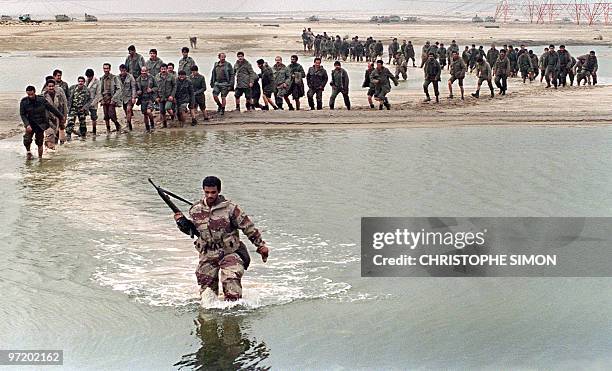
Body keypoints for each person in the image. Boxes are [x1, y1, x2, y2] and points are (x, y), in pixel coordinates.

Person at [173, 176, 270, 301]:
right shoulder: (195, 210)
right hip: (207, 254)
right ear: (203, 190)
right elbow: (193, 232)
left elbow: (248, 227)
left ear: (218, 191)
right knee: (207, 295)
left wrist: (260, 246)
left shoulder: (230, 209)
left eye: (213, 192)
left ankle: (234, 315)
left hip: (230, 253)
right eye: (207, 192)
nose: (210, 195)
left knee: (231, 282)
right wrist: (181, 222)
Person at [20, 86, 64, 159]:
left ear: (34, 92)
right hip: (30, 123)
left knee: (39, 141)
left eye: (32, 94)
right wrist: (27, 124)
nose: (30, 96)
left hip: (41, 124)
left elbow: (51, 108)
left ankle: (40, 158)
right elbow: (22, 114)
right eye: (29, 95)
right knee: (27, 140)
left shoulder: (41, 100)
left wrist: (60, 116)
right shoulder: (24, 102)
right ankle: (28, 152)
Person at [42, 79, 67, 149]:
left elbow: (64, 105)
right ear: (46, 87)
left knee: (56, 134)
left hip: (57, 117)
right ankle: (48, 151)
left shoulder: (59, 95)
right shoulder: (43, 96)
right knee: (50, 135)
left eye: (52, 86)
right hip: (47, 119)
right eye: (49, 86)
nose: (51, 88)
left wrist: (64, 116)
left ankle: (54, 152)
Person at [100, 63, 122, 133]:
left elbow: (119, 89)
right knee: (106, 115)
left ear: (110, 69)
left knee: (111, 114)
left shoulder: (114, 78)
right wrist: (101, 99)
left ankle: (117, 126)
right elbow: (99, 90)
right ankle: (108, 129)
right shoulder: (102, 78)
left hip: (111, 98)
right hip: (104, 98)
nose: (106, 70)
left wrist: (114, 99)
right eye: (104, 68)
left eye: (107, 68)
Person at [115, 64, 137, 131]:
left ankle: (129, 125)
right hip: (122, 98)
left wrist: (133, 97)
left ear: (126, 70)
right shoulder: (117, 77)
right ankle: (128, 123)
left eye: (124, 71)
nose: (123, 72)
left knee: (128, 109)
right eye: (121, 71)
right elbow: (116, 88)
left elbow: (133, 87)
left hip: (129, 97)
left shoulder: (130, 77)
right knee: (125, 110)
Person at [136, 66, 158, 131]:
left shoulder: (152, 78)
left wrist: (151, 90)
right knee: (145, 114)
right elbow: (135, 90)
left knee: (149, 112)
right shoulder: (138, 80)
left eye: (145, 71)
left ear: (148, 71)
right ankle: (147, 128)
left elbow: (156, 87)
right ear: (141, 72)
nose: (144, 73)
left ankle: (152, 124)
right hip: (142, 99)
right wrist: (138, 92)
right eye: (142, 71)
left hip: (150, 98)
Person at [85, 68, 101, 136]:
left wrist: (92, 103)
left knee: (94, 117)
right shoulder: (85, 81)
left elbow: (98, 94)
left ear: (92, 76)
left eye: (90, 77)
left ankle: (94, 130)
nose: (89, 78)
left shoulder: (97, 82)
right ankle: (83, 130)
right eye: (88, 76)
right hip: (86, 102)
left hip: (93, 102)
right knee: (83, 116)